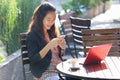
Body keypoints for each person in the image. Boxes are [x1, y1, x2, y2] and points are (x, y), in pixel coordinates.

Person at [26, 1, 66, 80]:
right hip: (45, 72)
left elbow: (58, 55)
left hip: (60, 69)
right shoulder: (32, 35)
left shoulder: (52, 32)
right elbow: (34, 59)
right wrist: (48, 46)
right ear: (41, 18)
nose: (51, 23)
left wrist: (62, 48)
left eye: (53, 20)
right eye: (48, 19)